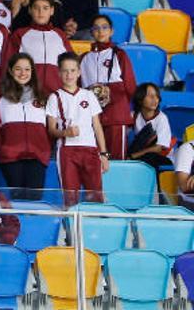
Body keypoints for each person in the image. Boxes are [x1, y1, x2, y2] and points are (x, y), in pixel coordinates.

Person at [46, 52, 110, 207]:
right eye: (65, 71)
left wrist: (103, 153)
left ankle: (94, 229)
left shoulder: (88, 95)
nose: (69, 75)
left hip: (90, 150)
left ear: (79, 72)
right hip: (67, 151)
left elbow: (97, 126)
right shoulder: (55, 97)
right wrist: (65, 133)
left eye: (73, 70)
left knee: (95, 195)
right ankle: (71, 230)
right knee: (70, 196)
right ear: (59, 73)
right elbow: (51, 129)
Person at [80, 14, 137, 159]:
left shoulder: (119, 54)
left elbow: (130, 86)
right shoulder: (84, 58)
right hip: (92, 118)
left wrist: (123, 108)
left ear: (111, 31)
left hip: (116, 116)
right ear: (91, 32)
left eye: (105, 27)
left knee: (117, 160)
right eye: (96, 28)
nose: (100, 31)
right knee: (95, 161)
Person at [0, 53, 51, 199]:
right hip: (11, 157)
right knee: (18, 199)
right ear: (10, 71)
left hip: (37, 156)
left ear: (32, 71)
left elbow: (50, 127)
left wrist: (45, 149)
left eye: (27, 69)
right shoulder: (0, 97)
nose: (23, 73)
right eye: (18, 69)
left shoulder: (43, 97)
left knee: (34, 200)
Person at [9, 0, 72, 94]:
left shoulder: (60, 35)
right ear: (29, 10)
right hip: (27, 94)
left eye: (45, 8)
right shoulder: (20, 34)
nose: (40, 12)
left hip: (56, 94)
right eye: (36, 8)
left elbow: (71, 64)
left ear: (52, 10)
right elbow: (9, 63)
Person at [130, 83, 174, 172]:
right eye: (150, 96)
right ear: (140, 99)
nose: (155, 100)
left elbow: (159, 148)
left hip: (162, 157)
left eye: (157, 97)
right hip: (140, 155)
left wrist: (135, 155)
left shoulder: (162, 118)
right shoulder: (133, 115)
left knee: (148, 158)